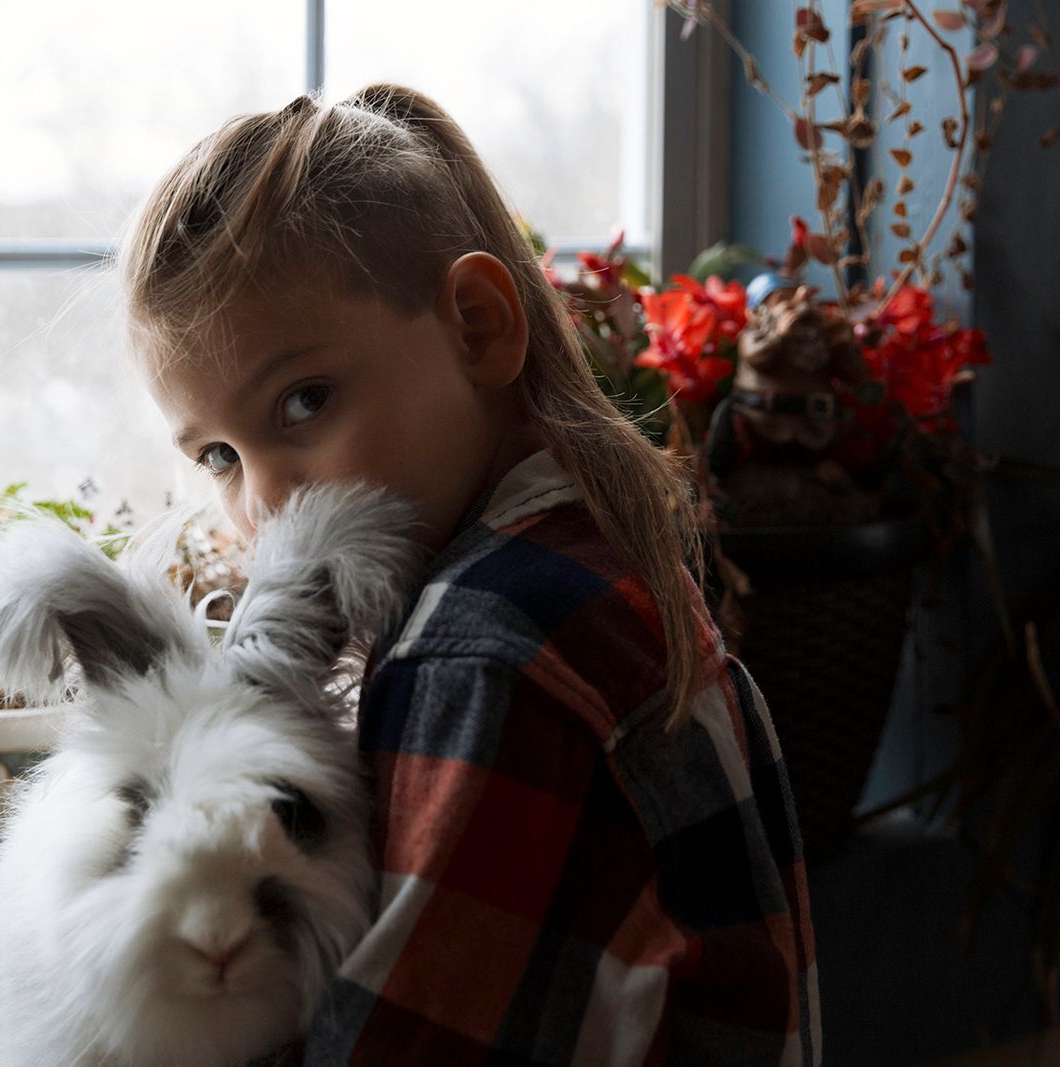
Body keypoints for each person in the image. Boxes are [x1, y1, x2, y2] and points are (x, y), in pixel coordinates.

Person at [116, 83, 820, 1065]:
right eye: (220, 458)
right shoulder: (579, 558)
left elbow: (390, 1048)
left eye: (303, 400)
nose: (266, 506)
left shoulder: (483, 648)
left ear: (479, 326)